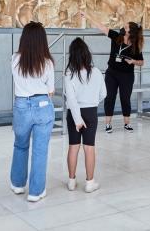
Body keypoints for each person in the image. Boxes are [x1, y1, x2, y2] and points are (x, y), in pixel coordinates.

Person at [10, 21, 55, 202]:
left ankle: (18, 184)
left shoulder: (14, 58)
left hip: (21, 105)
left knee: (20, 145)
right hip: (43, 104)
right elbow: (50, 90)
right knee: (40, 150)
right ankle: (36, 192)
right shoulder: (47, 62)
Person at [81, 12, 144, 133]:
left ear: (130, 32)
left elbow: (141, 62)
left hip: (127, 75)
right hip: (112, 73)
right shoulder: (117, 36)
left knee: (125, 98)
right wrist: (88, 16)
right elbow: (102, 27)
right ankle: (108, 124)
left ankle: (126, 124)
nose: (122, 28)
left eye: (125, 28)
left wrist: (133, 61)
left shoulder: (136, 45)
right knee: (109, 97)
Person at [64, 38, 106, 193]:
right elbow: (104, 93)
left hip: (74, 113)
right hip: (91, 111)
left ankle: (71, 181)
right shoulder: (95, 72)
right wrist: (92, 100)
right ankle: (90, 183)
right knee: (89, 148)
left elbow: (70, 98)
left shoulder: (69, 74)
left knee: (73, 147)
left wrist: (77, 119)